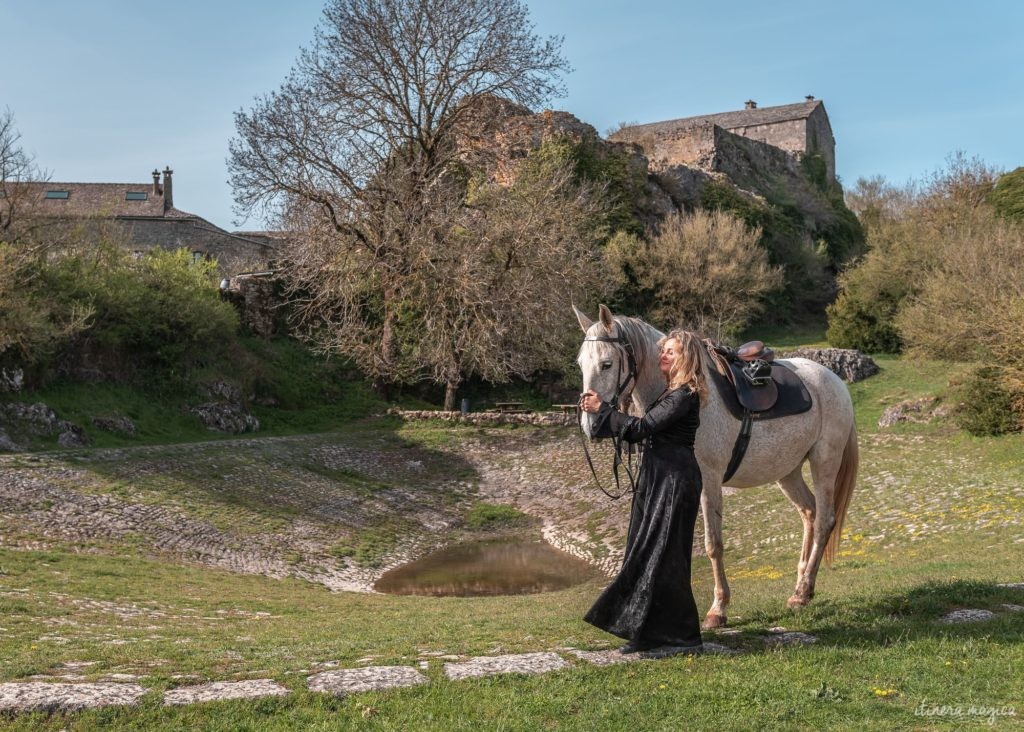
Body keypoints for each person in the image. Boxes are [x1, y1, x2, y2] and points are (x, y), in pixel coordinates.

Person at [579, 329, 706, 654]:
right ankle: (647, 631)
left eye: (671, 352)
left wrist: (602, 410)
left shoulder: (684, 395)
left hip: (675, 480)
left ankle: (681, 636)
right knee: (646, 552)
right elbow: (639, 429)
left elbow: (640, 429)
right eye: (663, 351)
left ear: (686, 358)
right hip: (658, 477)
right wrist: (601, 415)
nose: (662, 356)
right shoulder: (670, 393)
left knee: (666, 558)